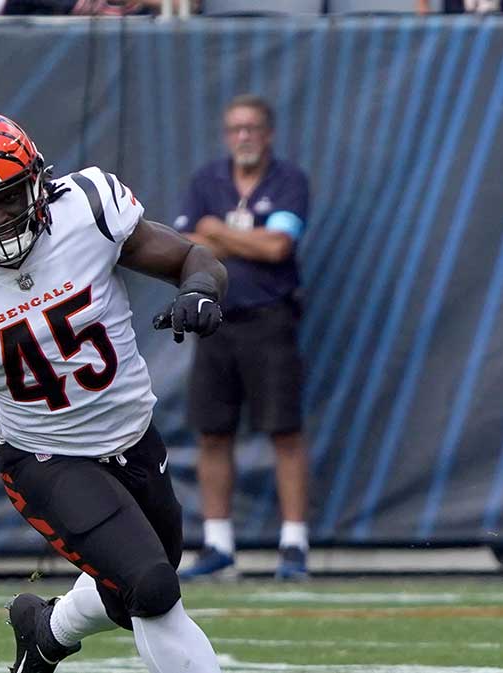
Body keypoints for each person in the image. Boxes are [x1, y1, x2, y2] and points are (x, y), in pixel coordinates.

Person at [0, 109, 227, 673]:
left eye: (7, 197)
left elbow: (194, 257)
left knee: (134, 586)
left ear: (40, 182)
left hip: (135, 437)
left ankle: (44, 632)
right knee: (152, 586)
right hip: (47, 459)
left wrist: (199, 289)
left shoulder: (88, 210)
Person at [173, 94, 311, 581]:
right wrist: (236, 238)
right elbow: (187, 246)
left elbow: (277, 247)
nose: (244, 136)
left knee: (285, 431)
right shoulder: (206, 181)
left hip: (270, 320)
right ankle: (218, 544)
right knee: (213, 432)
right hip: (215, 321)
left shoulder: (289, 180)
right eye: (235, 128)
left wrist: (219, 234)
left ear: (268, 133)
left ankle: (293, 545)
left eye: (252, 128)